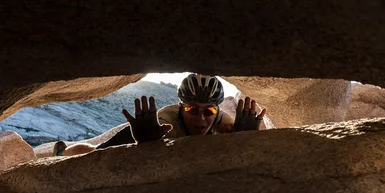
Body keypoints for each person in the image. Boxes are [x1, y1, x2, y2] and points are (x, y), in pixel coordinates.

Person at [53, 73, 266, 156]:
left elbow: (234, 139)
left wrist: (244, 138)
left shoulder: (222, 121)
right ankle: (61, 152)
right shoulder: (167, 120)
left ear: (217, 110)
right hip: (142, 132)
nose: (201, 119)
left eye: (208, 110)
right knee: (94, 153)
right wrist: (148, 140)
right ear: (181, 106)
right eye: (192, 110)